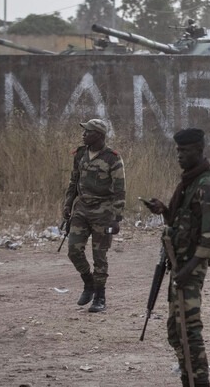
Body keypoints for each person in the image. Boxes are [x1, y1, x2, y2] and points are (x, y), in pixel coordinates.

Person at [143, 128, 210, 387]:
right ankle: (187, 377)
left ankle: (198, 381)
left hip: (191, 267)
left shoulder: (207, 186)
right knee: (175, 330)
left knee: (188, 330)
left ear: (199, 150)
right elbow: (184, 222)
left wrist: (188, 270)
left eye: (185, 151)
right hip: (180, 265)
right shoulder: (190, 183)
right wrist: (164, 211)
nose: (179, 155)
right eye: (178, 150)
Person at [62, 118, 125, 313]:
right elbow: (74, 181)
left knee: (100, 256)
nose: (83, 135)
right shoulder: (80, 154)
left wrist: (116, 218)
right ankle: (88, 282)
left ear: (98, 135)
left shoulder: (112, 158)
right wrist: (67, 205)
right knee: (74, 250)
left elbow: (120, 190)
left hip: (103, 213)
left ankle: (100, 296)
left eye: (87, 132)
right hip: (81, 209)